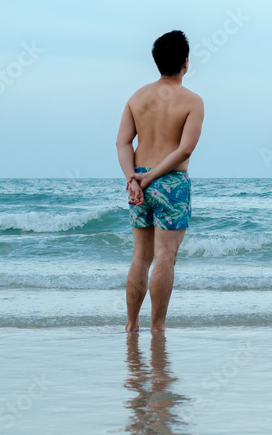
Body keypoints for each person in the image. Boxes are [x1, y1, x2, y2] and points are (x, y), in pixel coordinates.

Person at [116, 30, 204, 334]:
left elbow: (123, 143)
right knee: (166, 256)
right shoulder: (192, 101)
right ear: (186, 62)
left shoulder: (137, 97)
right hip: (170, 182)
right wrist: (151, 177)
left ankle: (130, 325)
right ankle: (157, 328)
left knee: (141, 256)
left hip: (138, 180)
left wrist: (133, 180)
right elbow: (184, 149)